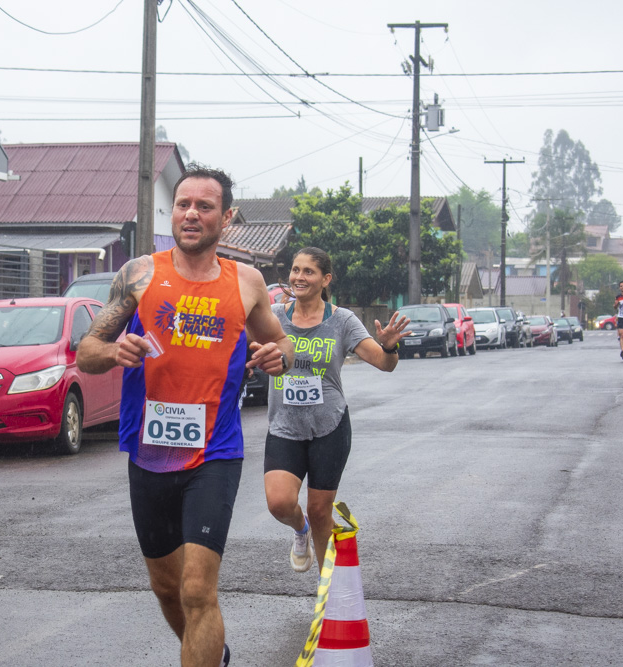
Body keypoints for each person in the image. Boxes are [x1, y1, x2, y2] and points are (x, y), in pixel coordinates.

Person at [77, 165, 294, 667]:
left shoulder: (247, 282)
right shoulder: (139, 274)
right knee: (166, 587)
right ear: (171, 211)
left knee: (198, 589)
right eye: (182, 204)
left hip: (214, 453)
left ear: (227, 217)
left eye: (204, 206)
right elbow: (86, 349)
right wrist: (112, 353)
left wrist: (277, 356)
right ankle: (210, 653)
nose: (191, 214)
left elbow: (280, 341)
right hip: (148, 451)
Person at [263, 248, 411, 573]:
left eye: (309, 272)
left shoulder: (342, 320)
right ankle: (299, 531)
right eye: (295, 270)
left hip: (329, 427)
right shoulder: (273, 315)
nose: (299, 277)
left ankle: (329, 593)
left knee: (320, 510)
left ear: (325, 279)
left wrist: (389, 345)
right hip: (284, 426)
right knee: (279, 503)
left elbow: (384, 364)